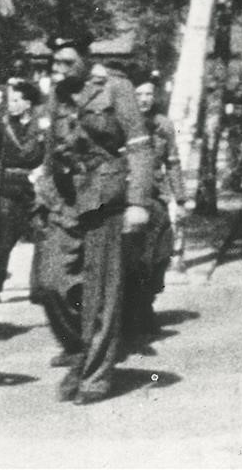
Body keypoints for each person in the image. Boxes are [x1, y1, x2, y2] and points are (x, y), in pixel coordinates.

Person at [33, 34, 151, 405]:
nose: (60, 70)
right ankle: (82, 351)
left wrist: (138, 202)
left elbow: (139, 146)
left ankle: (96, 375)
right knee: (52, 283)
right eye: (55, 63)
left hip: (104, 196)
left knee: (100, 293)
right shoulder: (58, 94)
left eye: (68, 62)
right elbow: (52, 147)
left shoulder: (116, 88)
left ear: (86, 59)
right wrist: (43, 194)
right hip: (65, 198)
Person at [123, 70, 187, 340]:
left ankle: (145, 307)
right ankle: (131, 317)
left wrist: (180, 198)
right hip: (126, 199)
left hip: (156, 199)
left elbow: (172, 162)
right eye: (139, 94)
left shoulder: (163, 125)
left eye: (150, 93)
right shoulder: (122, 122)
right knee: (131, 261)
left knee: (157, 259)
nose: (145, 99)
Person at [0, 81, 46, 303]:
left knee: (43, 237)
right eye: (10, 100)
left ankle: (39, 289)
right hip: (9, 186)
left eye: (16, 100)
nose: (11, 105)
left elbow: (48, 153)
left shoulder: (41, 125)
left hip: (35, 187)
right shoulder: (2, 124)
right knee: (4, 240)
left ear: (28, 103)